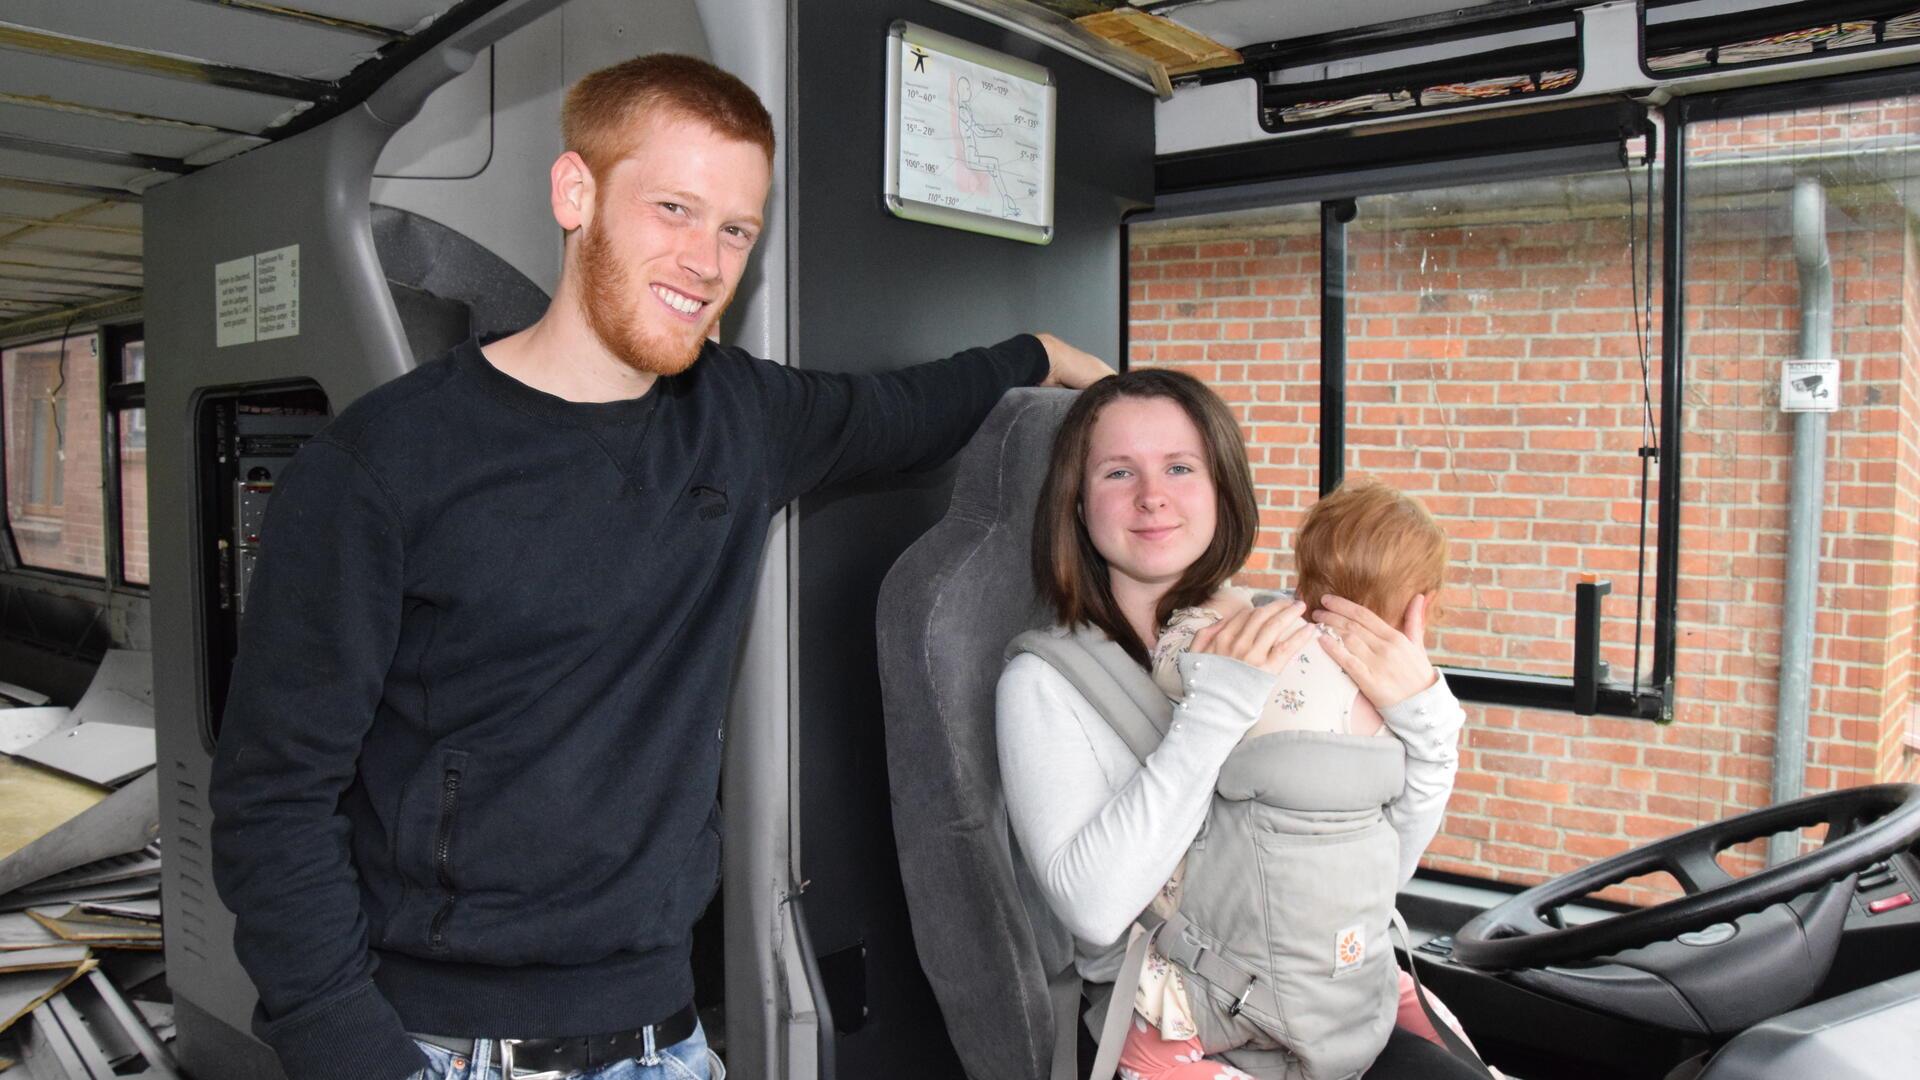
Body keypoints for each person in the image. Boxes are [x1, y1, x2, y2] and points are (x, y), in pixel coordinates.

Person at [208, 53, 1112, 1080]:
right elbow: (273, 799)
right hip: (448, 1046)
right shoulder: (382, 465)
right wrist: (351, 1052)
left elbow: (913, 408)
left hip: (667, 1039)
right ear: (575, 193)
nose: (706, 258)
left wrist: (1045, 352)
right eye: (674, 209)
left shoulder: (742, 419)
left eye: (736, 229)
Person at [997, 369, 1482, 1080]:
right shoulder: (1044, 681)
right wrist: (1216, 710)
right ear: (1076, 502)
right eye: (1118, 471)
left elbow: (1370, 870)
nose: (1152, 494)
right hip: (1181, 1026)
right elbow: (1095, 911)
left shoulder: (1290, 636)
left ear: (1222, 489)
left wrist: (1429, 723)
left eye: (1180, 467)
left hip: (1324, 1000)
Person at [1129, 481, 1482, 1076]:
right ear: (1423, 605)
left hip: (1238, 979)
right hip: (1350, 980)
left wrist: (1224, 608)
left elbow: (1169, 659)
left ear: (1303, 569)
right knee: (1402, 991)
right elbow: (1397, 860)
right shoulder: (1412, 704)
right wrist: (1426, 698)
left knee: (1142, 1043)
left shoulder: (1246, 648)